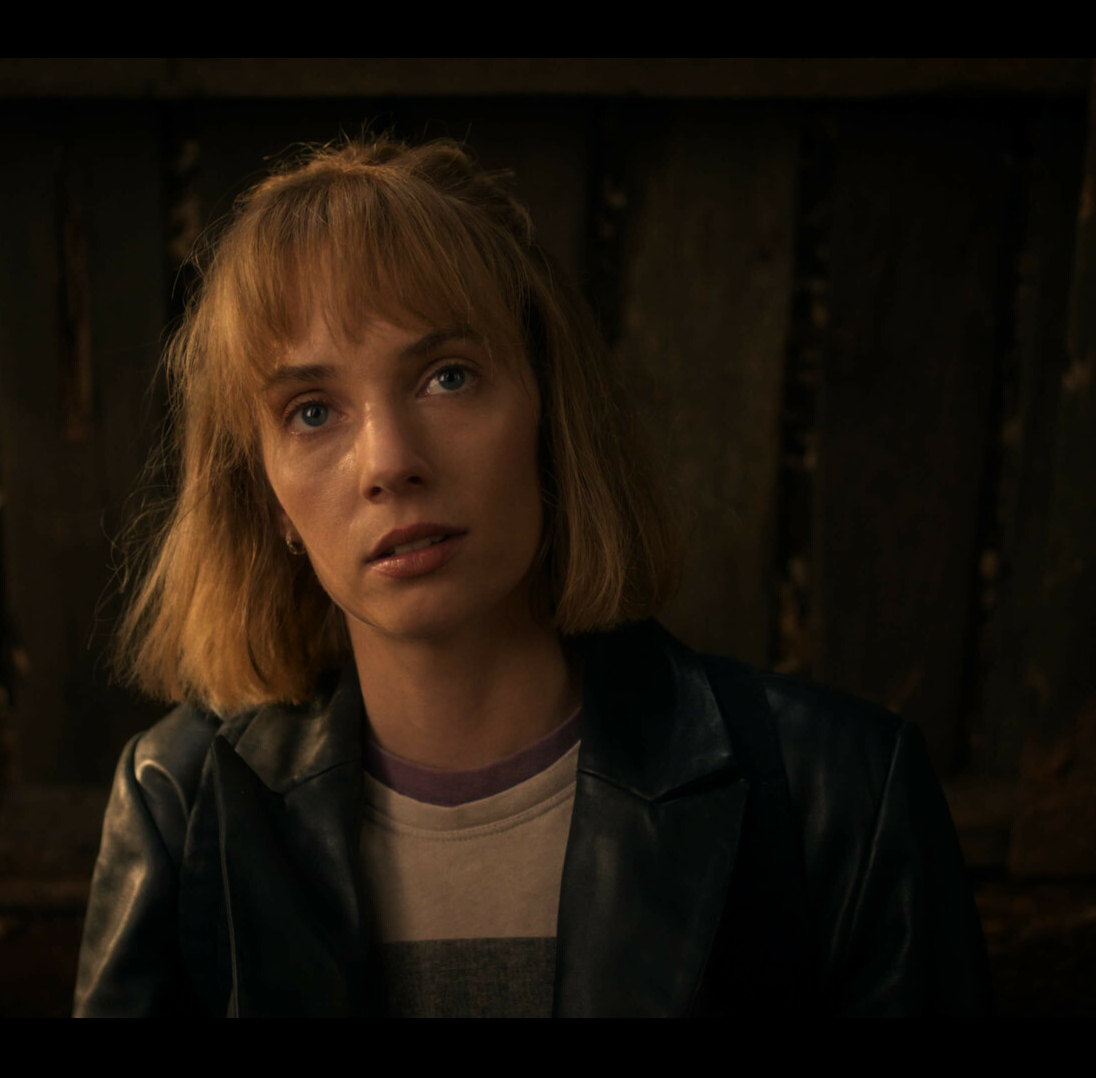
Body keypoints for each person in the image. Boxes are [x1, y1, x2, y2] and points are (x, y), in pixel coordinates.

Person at [73, 132, 995, 1017]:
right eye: (311, 411)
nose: (388, 462)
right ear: (267, 497)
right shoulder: (179, 804)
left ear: (552, 413)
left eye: (447, 377)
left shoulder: (841, 796)